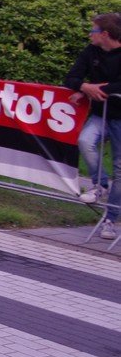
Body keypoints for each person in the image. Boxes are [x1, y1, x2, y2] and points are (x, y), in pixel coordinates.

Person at [65, 13, 121, 239]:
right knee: (85, 141)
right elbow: (71, 77)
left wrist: (95, 89)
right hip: (101, 114)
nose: (90, 34)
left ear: (105, 34)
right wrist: (84, 87)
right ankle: (100, 185)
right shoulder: (91, 51)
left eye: (93, 30)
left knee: (120, 167)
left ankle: (110, 220)